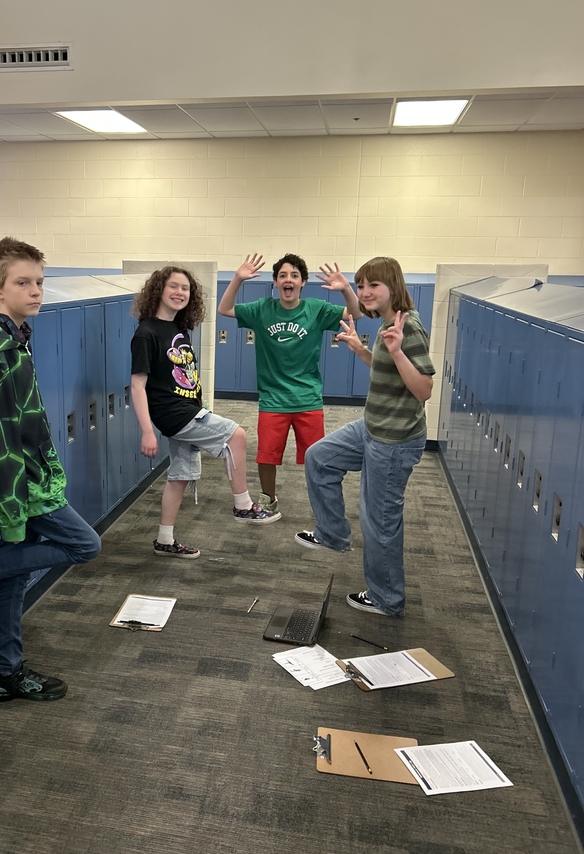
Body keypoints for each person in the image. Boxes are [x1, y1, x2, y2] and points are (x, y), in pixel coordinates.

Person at [0, 237, 101, 702]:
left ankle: (4, 673)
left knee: (15, 575)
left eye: (39, 283)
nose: (35, 291)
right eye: (22, 283)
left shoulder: (12, 336)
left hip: (31, 476)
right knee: (84, 545)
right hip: (21, 484)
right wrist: (11, 498)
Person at [295, 256, 435, 618]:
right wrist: (362, 349)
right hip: (373, 425)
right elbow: (388, 370)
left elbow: (423, 389)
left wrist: (398, 351)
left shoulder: (409, 327)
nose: (365, 293)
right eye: (361, 286)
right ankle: (333, 533)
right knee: (319, 456)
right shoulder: (389, 319)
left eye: (373, 285)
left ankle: (387, 598)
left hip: (394, 440)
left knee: (380, 520)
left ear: (394, 286)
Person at [131, 264, 280, 560]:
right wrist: (147, 430)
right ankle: (242, 505)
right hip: (172, 413)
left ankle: (165, 539)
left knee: (180, 476)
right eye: (173, 286)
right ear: (159, 290)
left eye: (185, 288)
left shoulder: (178, 328)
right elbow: (137, 385)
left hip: (187, 408)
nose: (180, 292)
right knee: (236, 435)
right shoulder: (146, 333)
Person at [218, 253, 362, 513]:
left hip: (308, 397)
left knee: (317, 457)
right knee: (266, 455)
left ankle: (322, 505)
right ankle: (268, 500)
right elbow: (225, 309)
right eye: (283, 275)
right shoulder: (262, 309)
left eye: (294, 276)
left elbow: (357, 313)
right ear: (275, 282)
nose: (288, 280)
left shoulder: (316, 309)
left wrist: (346, 290)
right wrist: (238, 278)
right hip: (273, 398)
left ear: (303, 282)